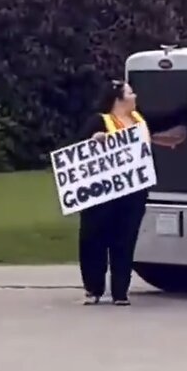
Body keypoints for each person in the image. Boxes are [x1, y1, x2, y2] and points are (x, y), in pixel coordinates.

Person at [76, 80, 149, 306]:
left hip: (133, 192)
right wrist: (93, 140)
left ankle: (120, 291)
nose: (134, 95)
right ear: (119, 99)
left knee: (125, 240)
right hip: (102, 194)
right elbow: (76, 149)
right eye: (130, 92)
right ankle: (94, 288)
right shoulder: (100, 121)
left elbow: (168, 118)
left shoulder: (140, 121)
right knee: (94, 239)